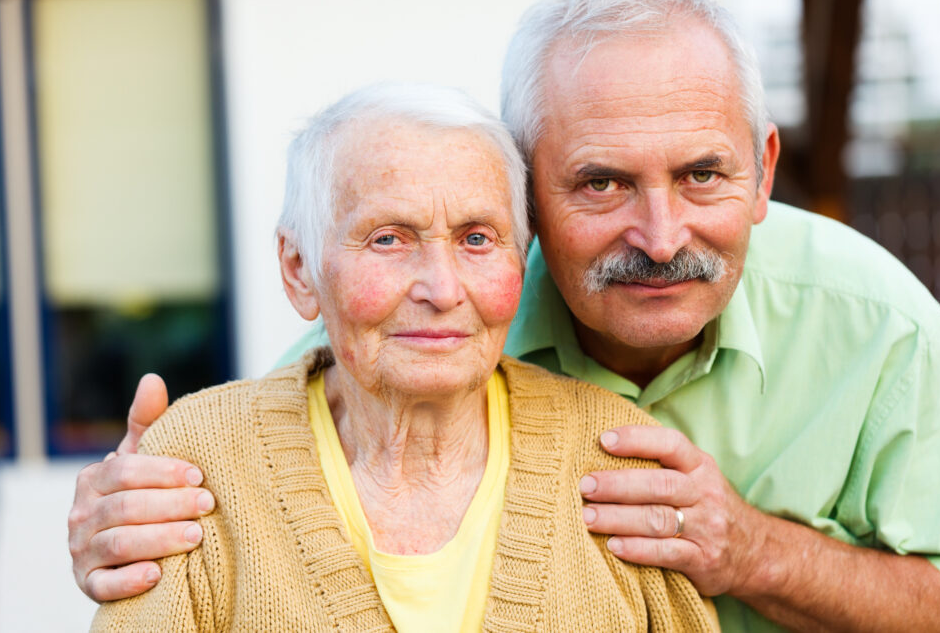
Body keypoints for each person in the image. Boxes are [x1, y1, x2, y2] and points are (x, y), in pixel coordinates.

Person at [69, 0, 940, 631]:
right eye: (600, 183)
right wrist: (122, 523)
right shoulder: (441, 316)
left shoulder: (885, 333)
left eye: (704, 174)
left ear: (763, 172)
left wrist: (751, 551)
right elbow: (273, 458)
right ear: (529, 195)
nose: (660, 236)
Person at [90, 82, 718, 631]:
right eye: (389, 239)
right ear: (299, 269)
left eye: (478, 238)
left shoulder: (615, 458)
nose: (442, 290)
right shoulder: (201, 464)